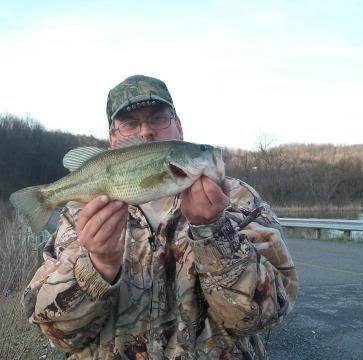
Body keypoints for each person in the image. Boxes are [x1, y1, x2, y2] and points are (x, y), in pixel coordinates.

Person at [21, 75, 298, 359]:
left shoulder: (236, 199)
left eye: (157, 118)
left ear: (178, 127)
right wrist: (97, 266)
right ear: (113, 139)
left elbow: (271, 311)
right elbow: (57, 333)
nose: (146, 131)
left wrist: (214, 232)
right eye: (130, 123)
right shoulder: (82, 215)